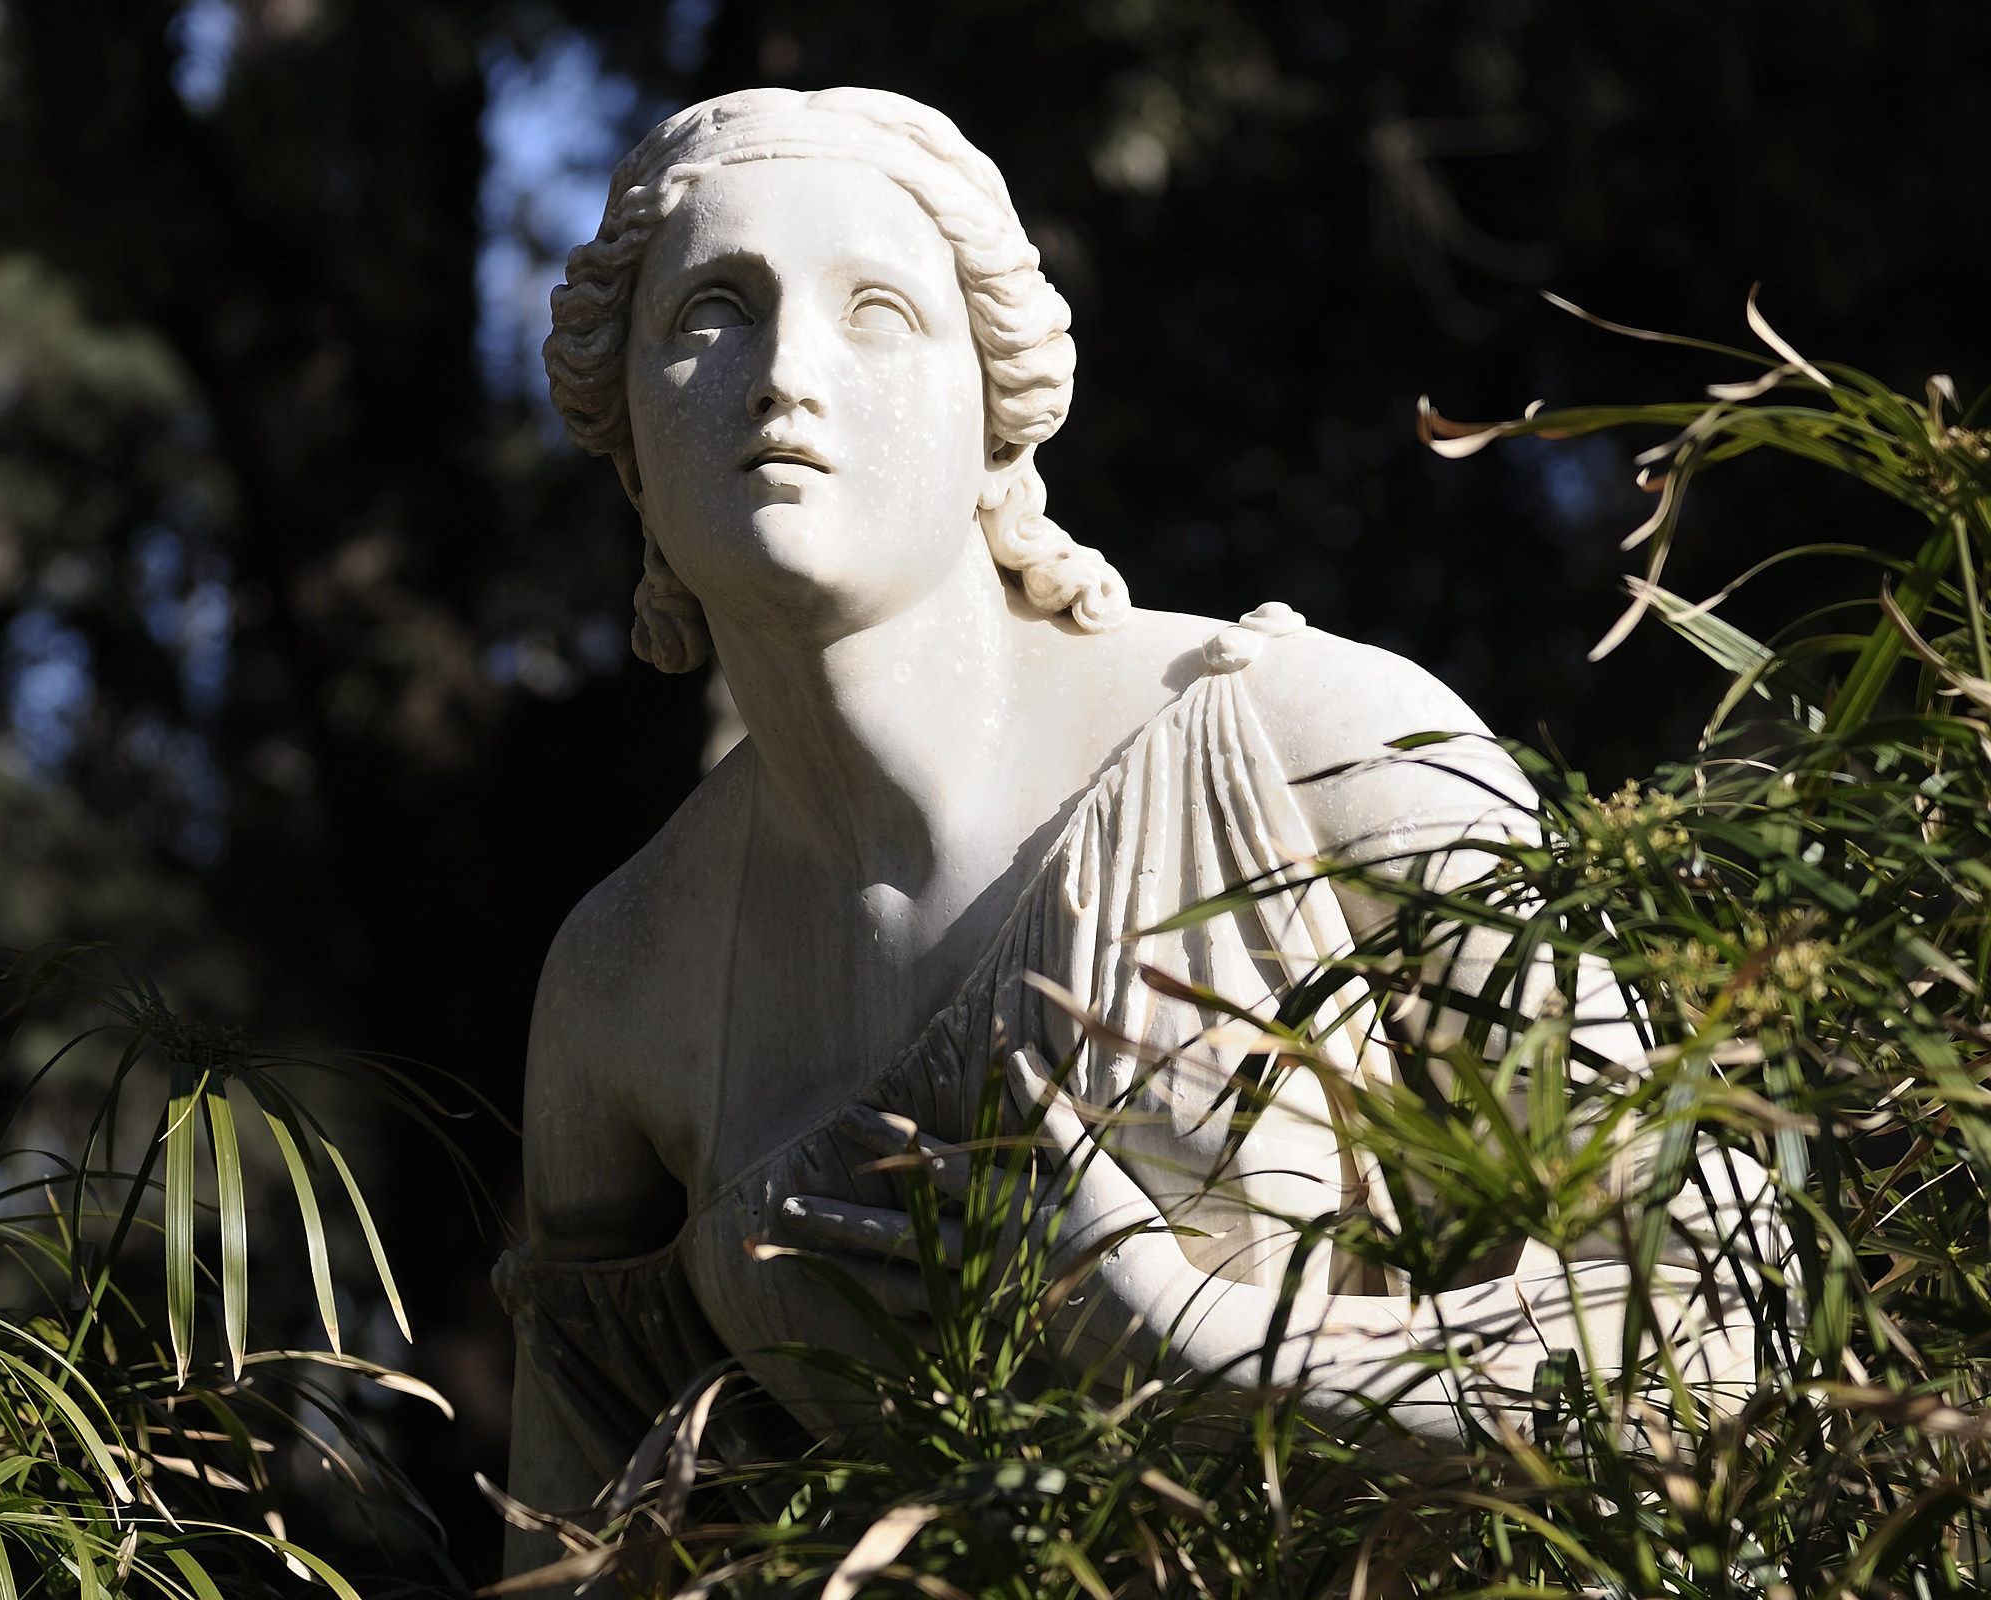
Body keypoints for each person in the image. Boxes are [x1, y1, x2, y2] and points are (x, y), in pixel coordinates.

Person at [499, 86, 1772, 1573]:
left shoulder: (1311, 747)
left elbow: (1723, 1322)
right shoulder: (618, 986)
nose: (788, 374)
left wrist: (1205, 1352)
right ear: (625, 432)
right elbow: (579, 1552)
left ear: (996, 415)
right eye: (712, 311)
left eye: (878, 313)